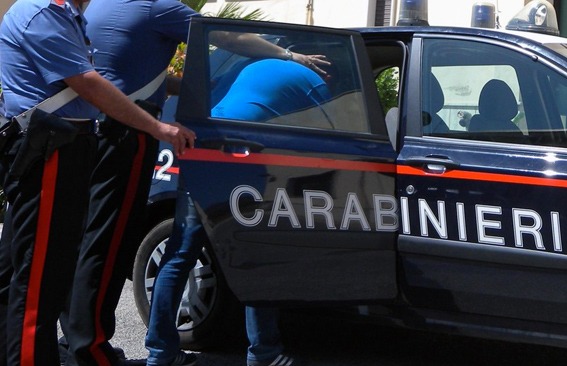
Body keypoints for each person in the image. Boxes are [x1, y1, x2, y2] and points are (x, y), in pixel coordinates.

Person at [58, 1, 330, 365]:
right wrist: (288, 54)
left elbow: (132, 74)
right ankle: (263, 353)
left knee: (156, 247)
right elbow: (226, 34)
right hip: (144, 136)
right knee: (251, 249)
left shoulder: (98, 8)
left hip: (107, 132)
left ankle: (152, 351)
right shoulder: (155, 6)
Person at [0, 0, 195, 365]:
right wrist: (158, 127)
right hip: (51, 149)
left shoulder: (70, 14)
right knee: (38, 280)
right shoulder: (46, 12)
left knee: (32, 269)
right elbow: (87, 83)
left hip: (62, 146)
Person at [146, 58, 332, 366]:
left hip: (203, 148)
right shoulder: (316, 84)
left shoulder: (245, 65)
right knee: (255, 254)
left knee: (180, 252)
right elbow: (333, 134)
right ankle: (264, 353)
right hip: (242, 161)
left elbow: (218, 94)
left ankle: (159, 353)